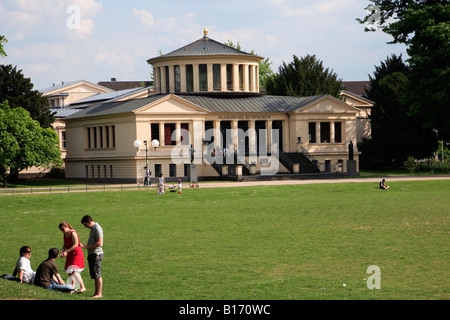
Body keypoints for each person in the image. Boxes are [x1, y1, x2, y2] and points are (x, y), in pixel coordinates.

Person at [80, 215, 104, 298]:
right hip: (93, 254)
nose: (86, 227)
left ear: (89, 221)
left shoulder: (97, 229)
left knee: (97, 274)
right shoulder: (93, 228)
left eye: (86, 225)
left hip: (96, 254)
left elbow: (99, 243)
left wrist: (85, 247)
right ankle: (96, 293)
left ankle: (99, 294)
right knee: (94, 274)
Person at [59, 221, 86, 293]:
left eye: (63, 229)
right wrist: (62, 251)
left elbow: (75, 244)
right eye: (61, 230)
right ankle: (72, 288)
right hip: (70, 253)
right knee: (69, 271)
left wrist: (66, 252)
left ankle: (82, 287)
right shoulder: (65, 234)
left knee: (74, 271)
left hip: (76, 253)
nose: (62, 231)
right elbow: (65, 244)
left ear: (67, 227)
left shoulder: (73, 233)